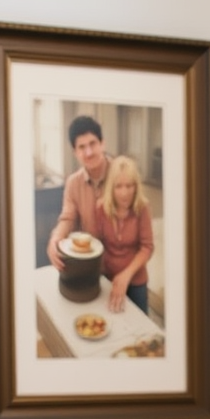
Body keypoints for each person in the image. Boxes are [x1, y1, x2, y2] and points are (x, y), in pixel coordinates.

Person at [46, 115, 111, 272]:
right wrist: (55, 238)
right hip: (90, 265)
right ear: (75, 152)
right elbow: (67, 218)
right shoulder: (73, 182)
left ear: (102, 143)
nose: (88, 152)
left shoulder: (122, 173)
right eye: (81, 147)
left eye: (92, 144)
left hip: (122, 264)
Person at [94, 154, 154, 315]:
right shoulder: (101, 208)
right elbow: (98, 244)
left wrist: (126, 275)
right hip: (108, 279)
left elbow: (147, 247)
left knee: (142, 330)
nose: (124, 193)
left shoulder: (143, 208)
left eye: (129, 186)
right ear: (111, 187)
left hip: (136, 280)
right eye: (118, 186)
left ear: (136, 186)